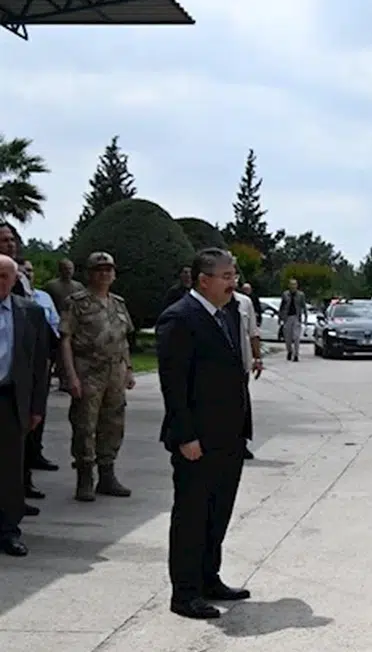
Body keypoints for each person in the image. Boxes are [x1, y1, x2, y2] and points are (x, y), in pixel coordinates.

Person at [156, 248, 253, 620]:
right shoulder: (180, 318)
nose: (234, 283)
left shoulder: (227, 313)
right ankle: (185, 593)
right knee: (192, 516)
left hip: (229, 437)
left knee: (218, 512)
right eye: (226, 276)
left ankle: (209, 577)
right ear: (203, 280)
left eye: (233, 275)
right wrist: (185, 436)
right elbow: (174, 385)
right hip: (196, 439)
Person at [61, 252, 136, 502]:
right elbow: (66, 339)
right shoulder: (77, 302)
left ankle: (107, 474)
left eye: (108, 270)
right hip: (87, 371)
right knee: (85, 425)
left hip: (115, 371)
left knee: (113, 423)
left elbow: (123, 338)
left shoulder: (118, 303)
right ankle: (85, 477)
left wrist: (129, 369)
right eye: (99, 270)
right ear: (89, 273)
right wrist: (70, 375)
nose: (104, 274)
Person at [0, 255, 51, 557]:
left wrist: (37, 408)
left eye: (6, 276)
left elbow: (39, 367)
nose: (1, 282)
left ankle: (9, 531)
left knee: (10, 469)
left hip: (10, 399)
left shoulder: (30, 313)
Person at [20, 260, 60, 500]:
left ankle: (33, 462)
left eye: (29, 271)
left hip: (39, 364)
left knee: (36, 418)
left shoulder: (41, 301)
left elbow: (53, 327)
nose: (27, 274)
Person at [232, 275, 264, 460]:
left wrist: (257, 358)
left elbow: (253, 333)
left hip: (241, 363)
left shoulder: (244, 303)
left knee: (242, 405)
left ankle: (241, 442)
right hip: (217, 367)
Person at [280, 278, 307, 362]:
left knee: (296, 337)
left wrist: (305, 317)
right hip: (287, 318)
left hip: (296, 317)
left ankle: (296, 355)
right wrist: (280, 317)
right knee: (287, 338)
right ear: (289, 286)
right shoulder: (285, 294)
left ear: (297, 286)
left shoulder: (301, 295)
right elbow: (282, 307)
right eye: (291, 284)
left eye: (294, 284)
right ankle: (289, 351)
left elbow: (304, 306)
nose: (293, 286)